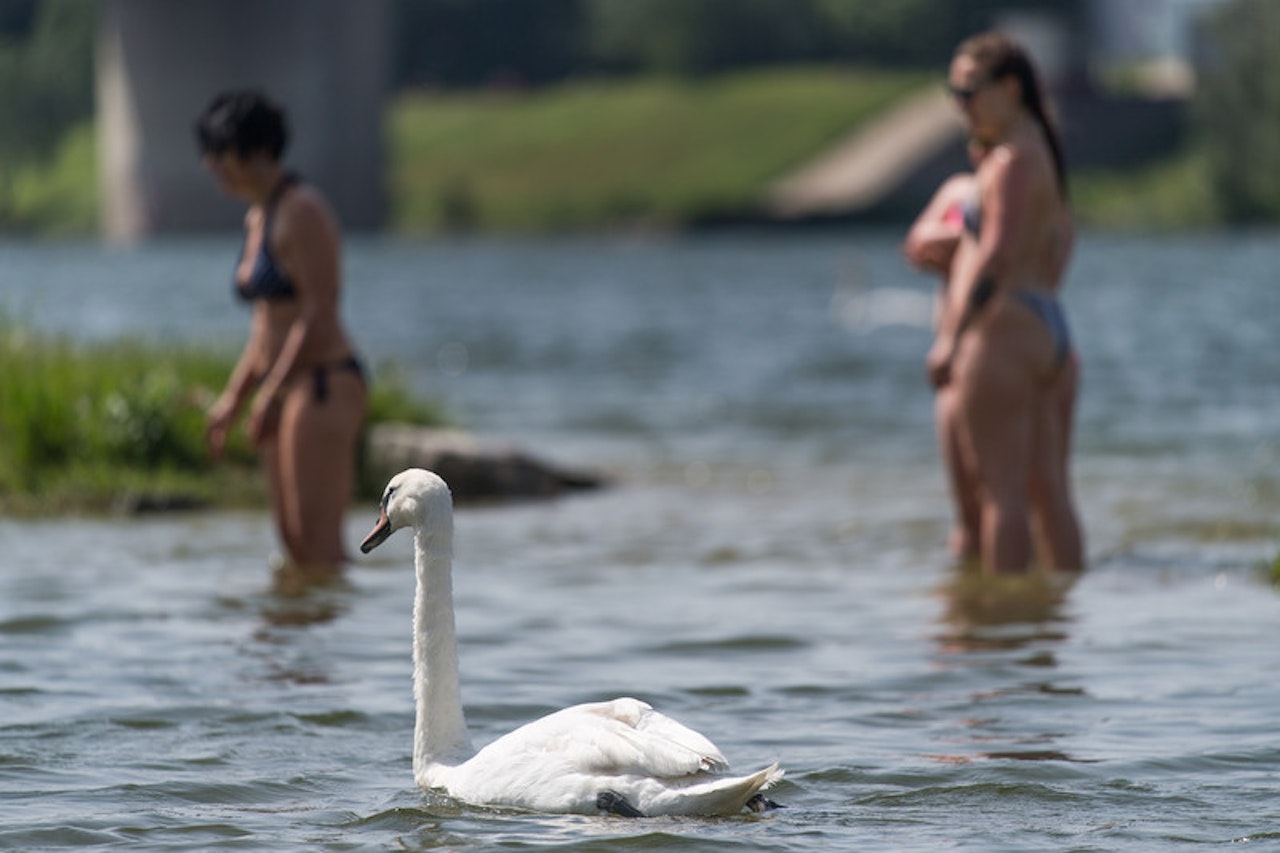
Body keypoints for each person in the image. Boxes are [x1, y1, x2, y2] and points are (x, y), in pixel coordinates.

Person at [923, 31, 1084, 575]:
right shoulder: (1041, 151)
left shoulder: (1014, 158)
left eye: (968, 91)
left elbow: (997, 253)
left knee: (1001, 494)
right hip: (1046, 327)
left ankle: (1004, 622)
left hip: (1005, 329)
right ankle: (1059, 609)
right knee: (1051, 492)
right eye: (954, 93)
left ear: (1009, 89)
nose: (958, 105)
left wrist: (953, 337)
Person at [195, 90, 368, 589]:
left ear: (255, 151)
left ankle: (333, 657)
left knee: (320, 549)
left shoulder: (303, 210)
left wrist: (271, 392)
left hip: (321, 384)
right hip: (283, 388)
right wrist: (235, 398)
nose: (211, 166)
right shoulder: (257, 217)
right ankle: (295, 663)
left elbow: (318, 310)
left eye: (219, 152)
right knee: (292, 546)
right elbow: (266, 324)